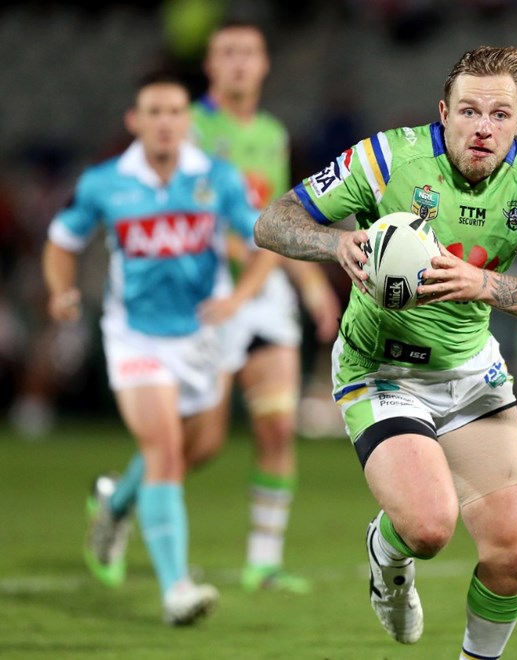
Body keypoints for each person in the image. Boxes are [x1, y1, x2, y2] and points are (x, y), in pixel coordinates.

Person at [255, 46, 517, 658]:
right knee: (429, 527)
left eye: (499, 114)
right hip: (380, 369)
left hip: (469, 372)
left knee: (513, 552)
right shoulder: (386, 159)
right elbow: (272, 222)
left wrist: (485, 284)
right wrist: (335, 245)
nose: (482, 128)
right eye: (469, 111)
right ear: (444, 112)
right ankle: (387, 554)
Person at [44, 72, 279, 625]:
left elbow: (266, 237)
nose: (166, 122)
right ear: (135, 121)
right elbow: (61, 240)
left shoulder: (216, 177)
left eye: (175, 111)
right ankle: (177, 589)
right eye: (154, 111)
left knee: (203, 447)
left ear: (187, 120)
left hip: (201, 336)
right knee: (165, 451)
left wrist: (240, 296)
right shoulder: (106, 182)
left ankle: (116, 503)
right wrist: (61, 291)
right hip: (136, 336)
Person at [190, 19, 342, 594]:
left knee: (277, 427)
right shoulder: (189, 128)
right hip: (207, 296)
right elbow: (191, 221)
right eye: (227, 52)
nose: (238, 63)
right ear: (209, 65)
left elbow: (272, 225)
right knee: (199, 444)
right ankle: (120, 500)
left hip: (262, 295)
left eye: (248, 53)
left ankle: (263, 562)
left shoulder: (274, 135)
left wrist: (311, 285)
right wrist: (243, 257)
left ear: (264, 65)